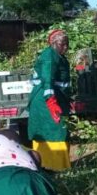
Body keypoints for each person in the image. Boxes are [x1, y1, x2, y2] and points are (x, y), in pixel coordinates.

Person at [27, 29, 71, 172]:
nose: (65, 47)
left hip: (54, 99)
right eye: (62, 44)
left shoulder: (58, 55)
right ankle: (50, 166)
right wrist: (51, 103)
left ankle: (57, 166)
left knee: (57, 131)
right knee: (52, 131)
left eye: (67, 44)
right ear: (53, 43)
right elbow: (47, 81)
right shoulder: (49, 56)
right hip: (45, 101)